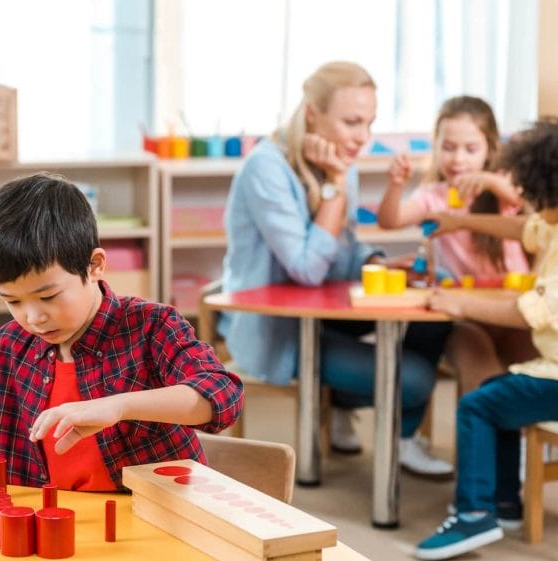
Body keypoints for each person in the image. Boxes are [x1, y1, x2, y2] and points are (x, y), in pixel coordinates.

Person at [0, 173, 243, 510]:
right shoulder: (4, 349)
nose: (33, 318)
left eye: (48, 296)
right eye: (13, 301)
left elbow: (223, 396)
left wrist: (120, 406)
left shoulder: (151, 326)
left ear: (94, 266)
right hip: (47, 531)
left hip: (156, 522)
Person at [220, 60, 452, 477]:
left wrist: (376, 263)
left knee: (434, 322)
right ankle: (347, 402)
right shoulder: (266, 168)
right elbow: (307, 269)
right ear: (313, 113)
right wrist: (334, 185)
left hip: (324, 313)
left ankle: (389, 429)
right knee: (413, 380)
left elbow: (339, 253)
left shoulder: (341, 164)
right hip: (277, 330)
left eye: (369, 123)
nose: (362, 137)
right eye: (351, 122)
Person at [415, 118, 558, 560]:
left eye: (534, 199)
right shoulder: (553, 222)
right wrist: (460, 221)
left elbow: (526, 311)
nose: (530, 208)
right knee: (498, 392)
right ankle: (504, 501)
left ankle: (474, 515)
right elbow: (526, 229)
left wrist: (460, 305)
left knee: (477, 405)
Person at [378, 95, 535, 394]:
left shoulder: (501, 190)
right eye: (448, 148)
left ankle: (526, 437)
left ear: (490, 150)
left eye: (471, 149)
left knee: (534, 369)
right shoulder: (432, 195)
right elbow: (390, 220)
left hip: (513, 311)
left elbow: (528, 204)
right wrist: (396, 184)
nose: (458, 159)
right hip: (465, 315)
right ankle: (483, 431)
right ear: (435, 146)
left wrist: (490, 181)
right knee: (480, 370)